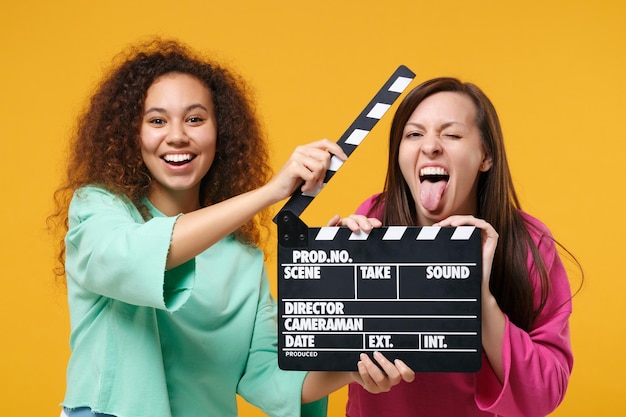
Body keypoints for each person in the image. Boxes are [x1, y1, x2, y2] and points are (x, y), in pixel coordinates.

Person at [49, 38, 415, 417]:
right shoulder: (99, 210)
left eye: (195, 119)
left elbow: (268, 374)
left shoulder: (242, 258)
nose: (177, 135)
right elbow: (130, 259)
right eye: (157, 120)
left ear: (220, 132)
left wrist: (353, 365)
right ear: (131, 134)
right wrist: (270, 192)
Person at [329, 77, 580, 417]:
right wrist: (331, 273)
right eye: (414, 134)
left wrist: (479, 296)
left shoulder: (528, 243)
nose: (430, 146)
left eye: (451, 134)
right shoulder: (374, 218)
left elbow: (544, 392)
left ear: (485, 156)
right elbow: (331, 356)